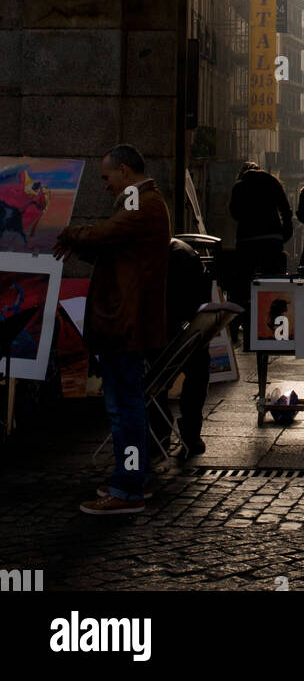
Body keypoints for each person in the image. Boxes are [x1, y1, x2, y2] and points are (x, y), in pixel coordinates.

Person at [53, 145, 170, 515]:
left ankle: (128, 488)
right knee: (126, 405)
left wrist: (71, 233)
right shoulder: (140, 201)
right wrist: (82, 245)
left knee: (125, 408)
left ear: (123, 170)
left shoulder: (140, 201)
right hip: (125, 320)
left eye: (107, 177)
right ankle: (133, 478)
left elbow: (110, 232)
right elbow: (116, 248)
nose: (105, 186)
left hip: (125, 321)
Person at [150, 238, 212, 460]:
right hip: (184, 327)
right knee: (196, 374)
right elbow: (200, 298)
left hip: (166, 327)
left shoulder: (176, 254)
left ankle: (161, 433)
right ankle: (189, 434)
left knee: (158, 381)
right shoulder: (184, 254)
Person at [229, 161, 293, 339]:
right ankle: (278, 332)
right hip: (272, 240)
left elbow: (234, 213)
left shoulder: (239, 186)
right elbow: (286, 210)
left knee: (241, 287)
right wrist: (283, 235)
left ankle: (235, 329)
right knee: (273, 287)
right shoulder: (273, 182)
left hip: (248, 241)